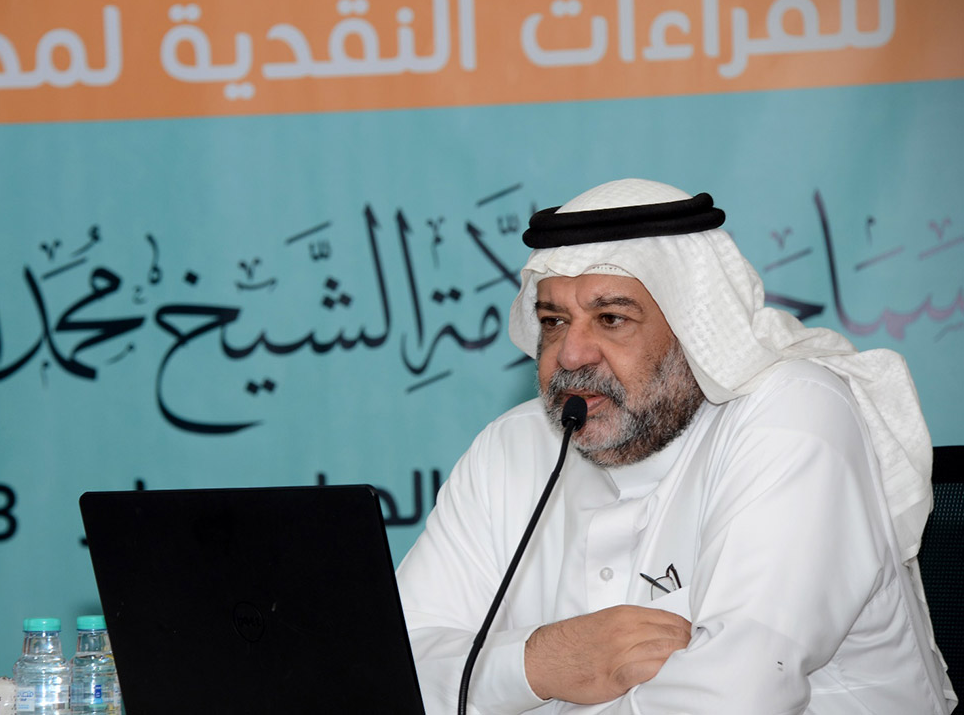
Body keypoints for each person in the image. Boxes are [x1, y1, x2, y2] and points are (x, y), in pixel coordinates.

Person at [395, 178, 956, 714]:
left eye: (611, 318)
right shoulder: (512, 446)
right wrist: (542, 662)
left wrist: (496, 686)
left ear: (695, 328)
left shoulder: (792, 413)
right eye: (555, 320)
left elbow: (735, 697)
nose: (570, 354)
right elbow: (389, 668)